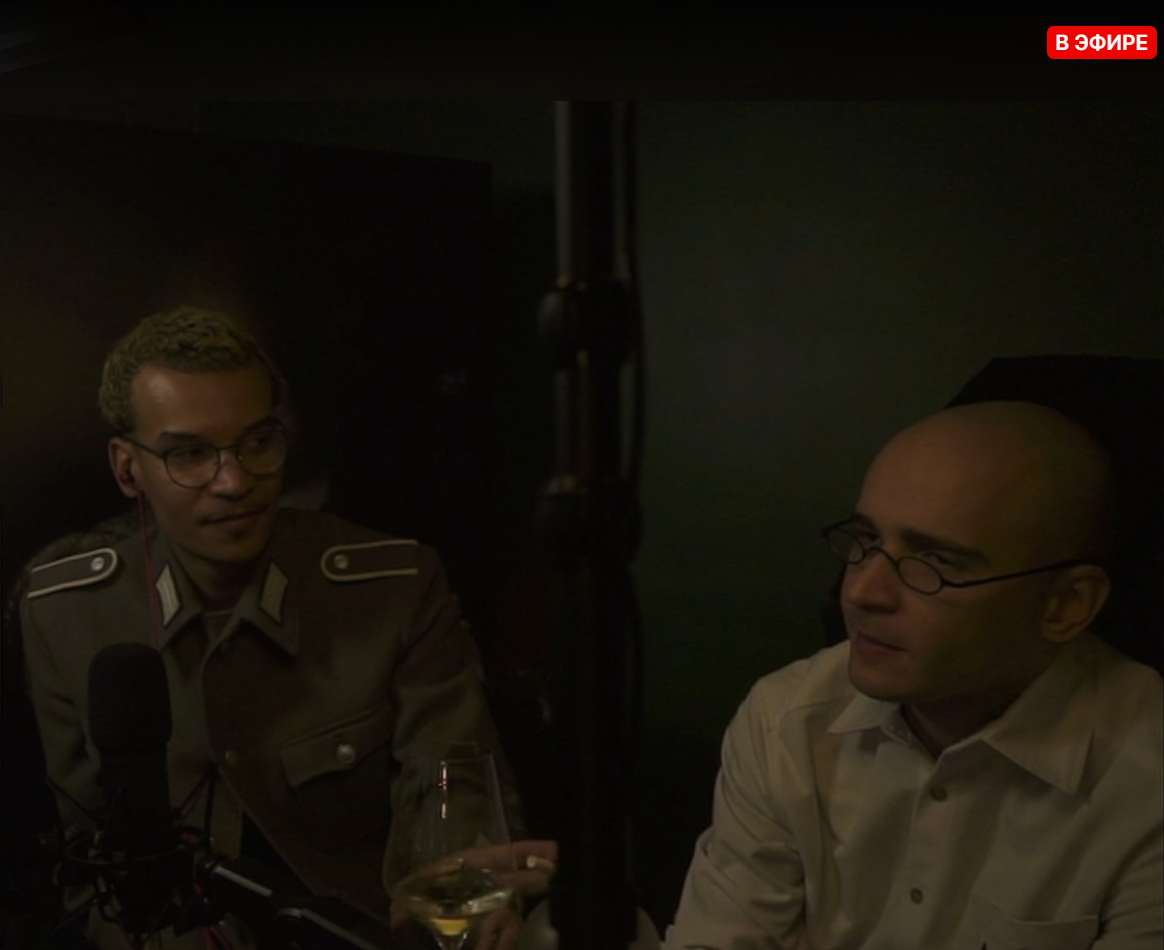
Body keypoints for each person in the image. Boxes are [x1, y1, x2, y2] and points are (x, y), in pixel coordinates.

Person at [18, 306, 554, 950]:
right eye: (189, 454)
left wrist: (464, 886)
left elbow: (452, 778)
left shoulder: (393, 589)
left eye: (258, 442)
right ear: (128, 469)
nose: (234, 481)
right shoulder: (65, 613)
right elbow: (91, 852)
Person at [664, 400, 1162, 950]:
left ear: (1066, 604)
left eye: (936, 563)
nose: (861, 592)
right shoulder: (786, 721)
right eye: (866, 540)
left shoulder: (1146, 782)